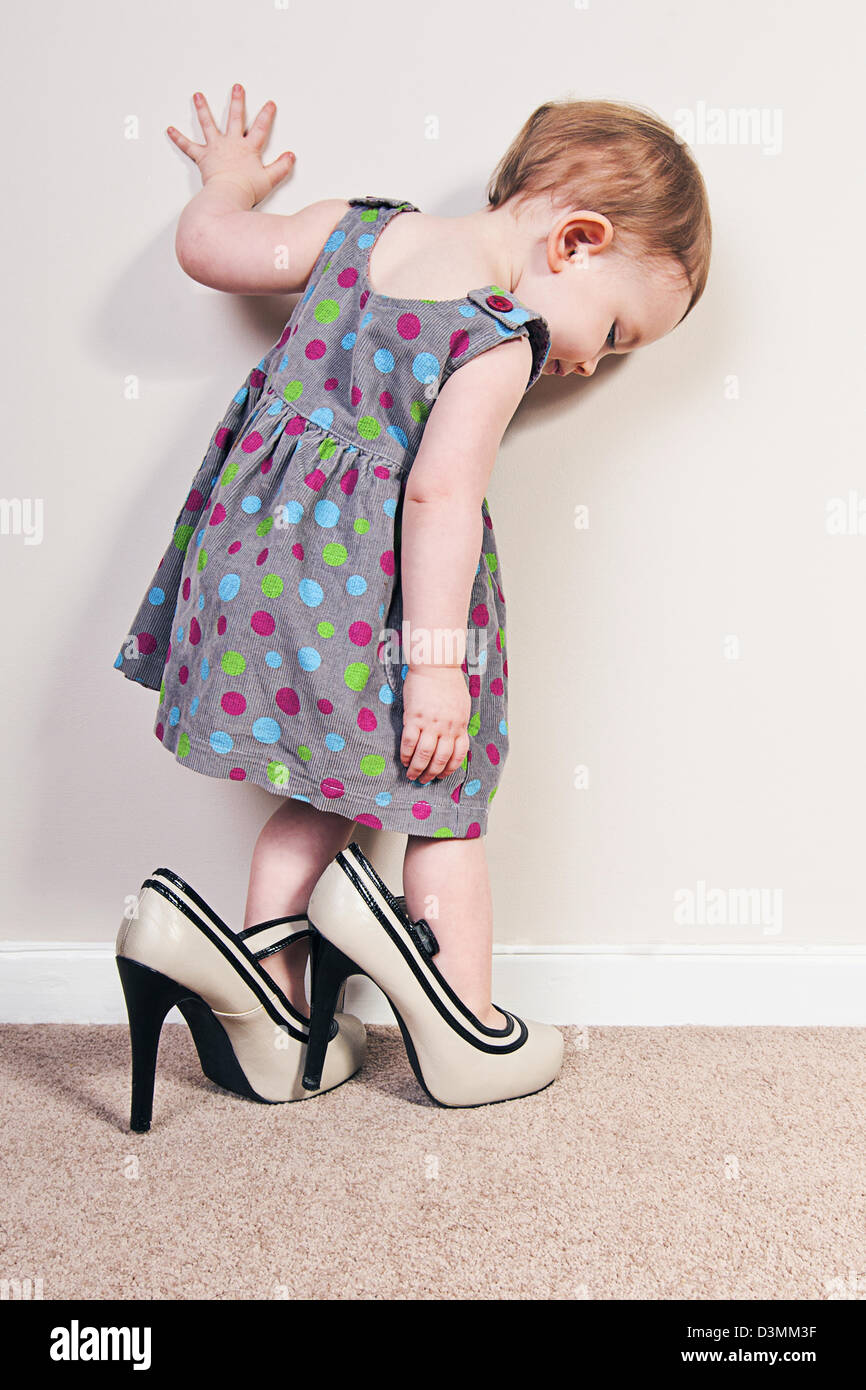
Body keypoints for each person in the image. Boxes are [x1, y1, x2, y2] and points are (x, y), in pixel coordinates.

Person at [113, 84, 712, 1125]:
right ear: (573, 240)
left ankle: (276, 1028)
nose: (589, 359)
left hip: (249, 566)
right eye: (613, 329)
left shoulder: (352, 233)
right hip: (365, 594)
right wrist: (437, 668)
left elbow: (211, 250)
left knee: (314, 795)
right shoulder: (494, 339)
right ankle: (462, 1024)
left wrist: (227, 185)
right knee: (444, 796)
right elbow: (438, 495)